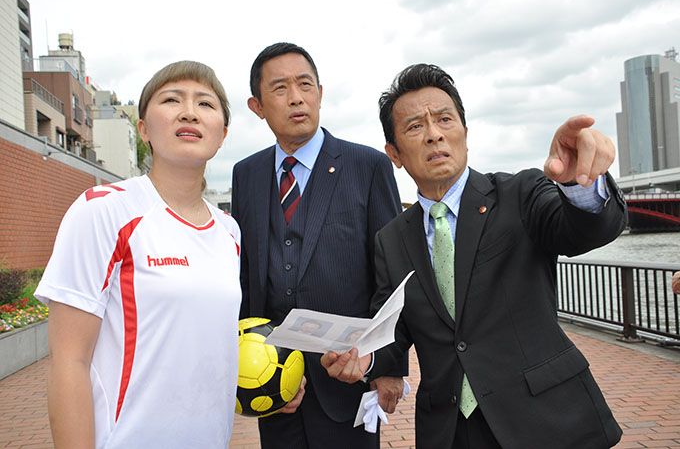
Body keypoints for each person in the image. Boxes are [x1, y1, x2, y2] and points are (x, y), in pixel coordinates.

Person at [321, 63, 626, 449]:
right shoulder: (391, 239)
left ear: (465, 133)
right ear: (394, 153)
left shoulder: (519, 194)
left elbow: (584, 230)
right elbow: (393, 330)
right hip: (451, 430)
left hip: (547, 420)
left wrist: (577, 184)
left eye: (444, 119)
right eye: (415, 126)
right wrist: (365, 361)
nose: (434, 134)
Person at [35, 61, 275, 449]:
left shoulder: (229, 231)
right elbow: (68, 361)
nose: (189, 112)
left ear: (222, 135)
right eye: (171, 100)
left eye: (205, 104)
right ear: (143, 128)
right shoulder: (104, 210)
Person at [231, 42, 407, 449]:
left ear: (320, 94)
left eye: (305, 85)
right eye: (280, 88)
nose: (296, 97)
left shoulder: (367, 166)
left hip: (347, 378)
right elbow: (246, 276)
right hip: (272, 386)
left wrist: (388, 364)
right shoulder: (246, 174)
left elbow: (392, 275)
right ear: (257, 106)